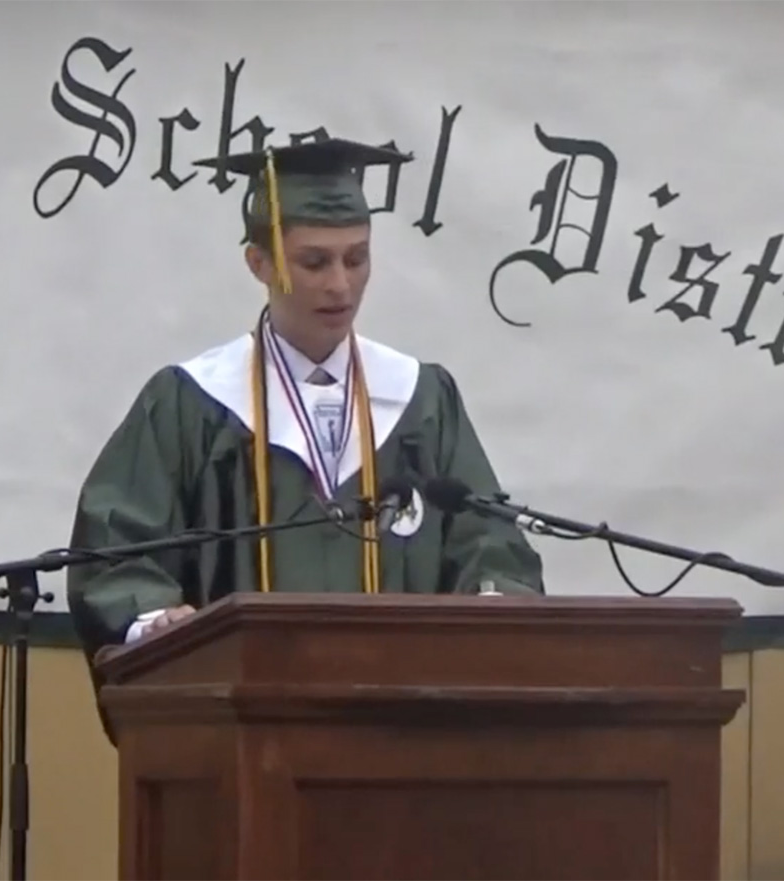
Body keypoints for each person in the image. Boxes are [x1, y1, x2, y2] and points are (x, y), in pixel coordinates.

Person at [65, 137, 545, 662]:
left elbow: (487, 539)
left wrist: (495, 595)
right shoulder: (192, 402)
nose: (341, 285)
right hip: (247, 715)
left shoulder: (419, 398)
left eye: (356, 258)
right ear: (259, 264)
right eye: (314, 262)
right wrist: (154, 615)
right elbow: (114, 549)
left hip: (403, 713)